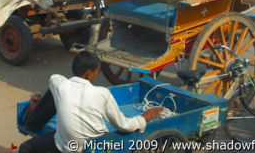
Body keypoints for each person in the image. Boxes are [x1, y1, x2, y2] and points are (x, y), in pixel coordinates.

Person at [19, 51, 163, 153]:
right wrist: (142, 118)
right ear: (88, 73)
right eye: (96, 72)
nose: (97, 75)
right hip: (94, 148)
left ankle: (31, 122)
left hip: (66, 146)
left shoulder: (59, 83)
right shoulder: (102, 93)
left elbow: (55, 79)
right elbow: (123, 125)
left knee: (25, 148)